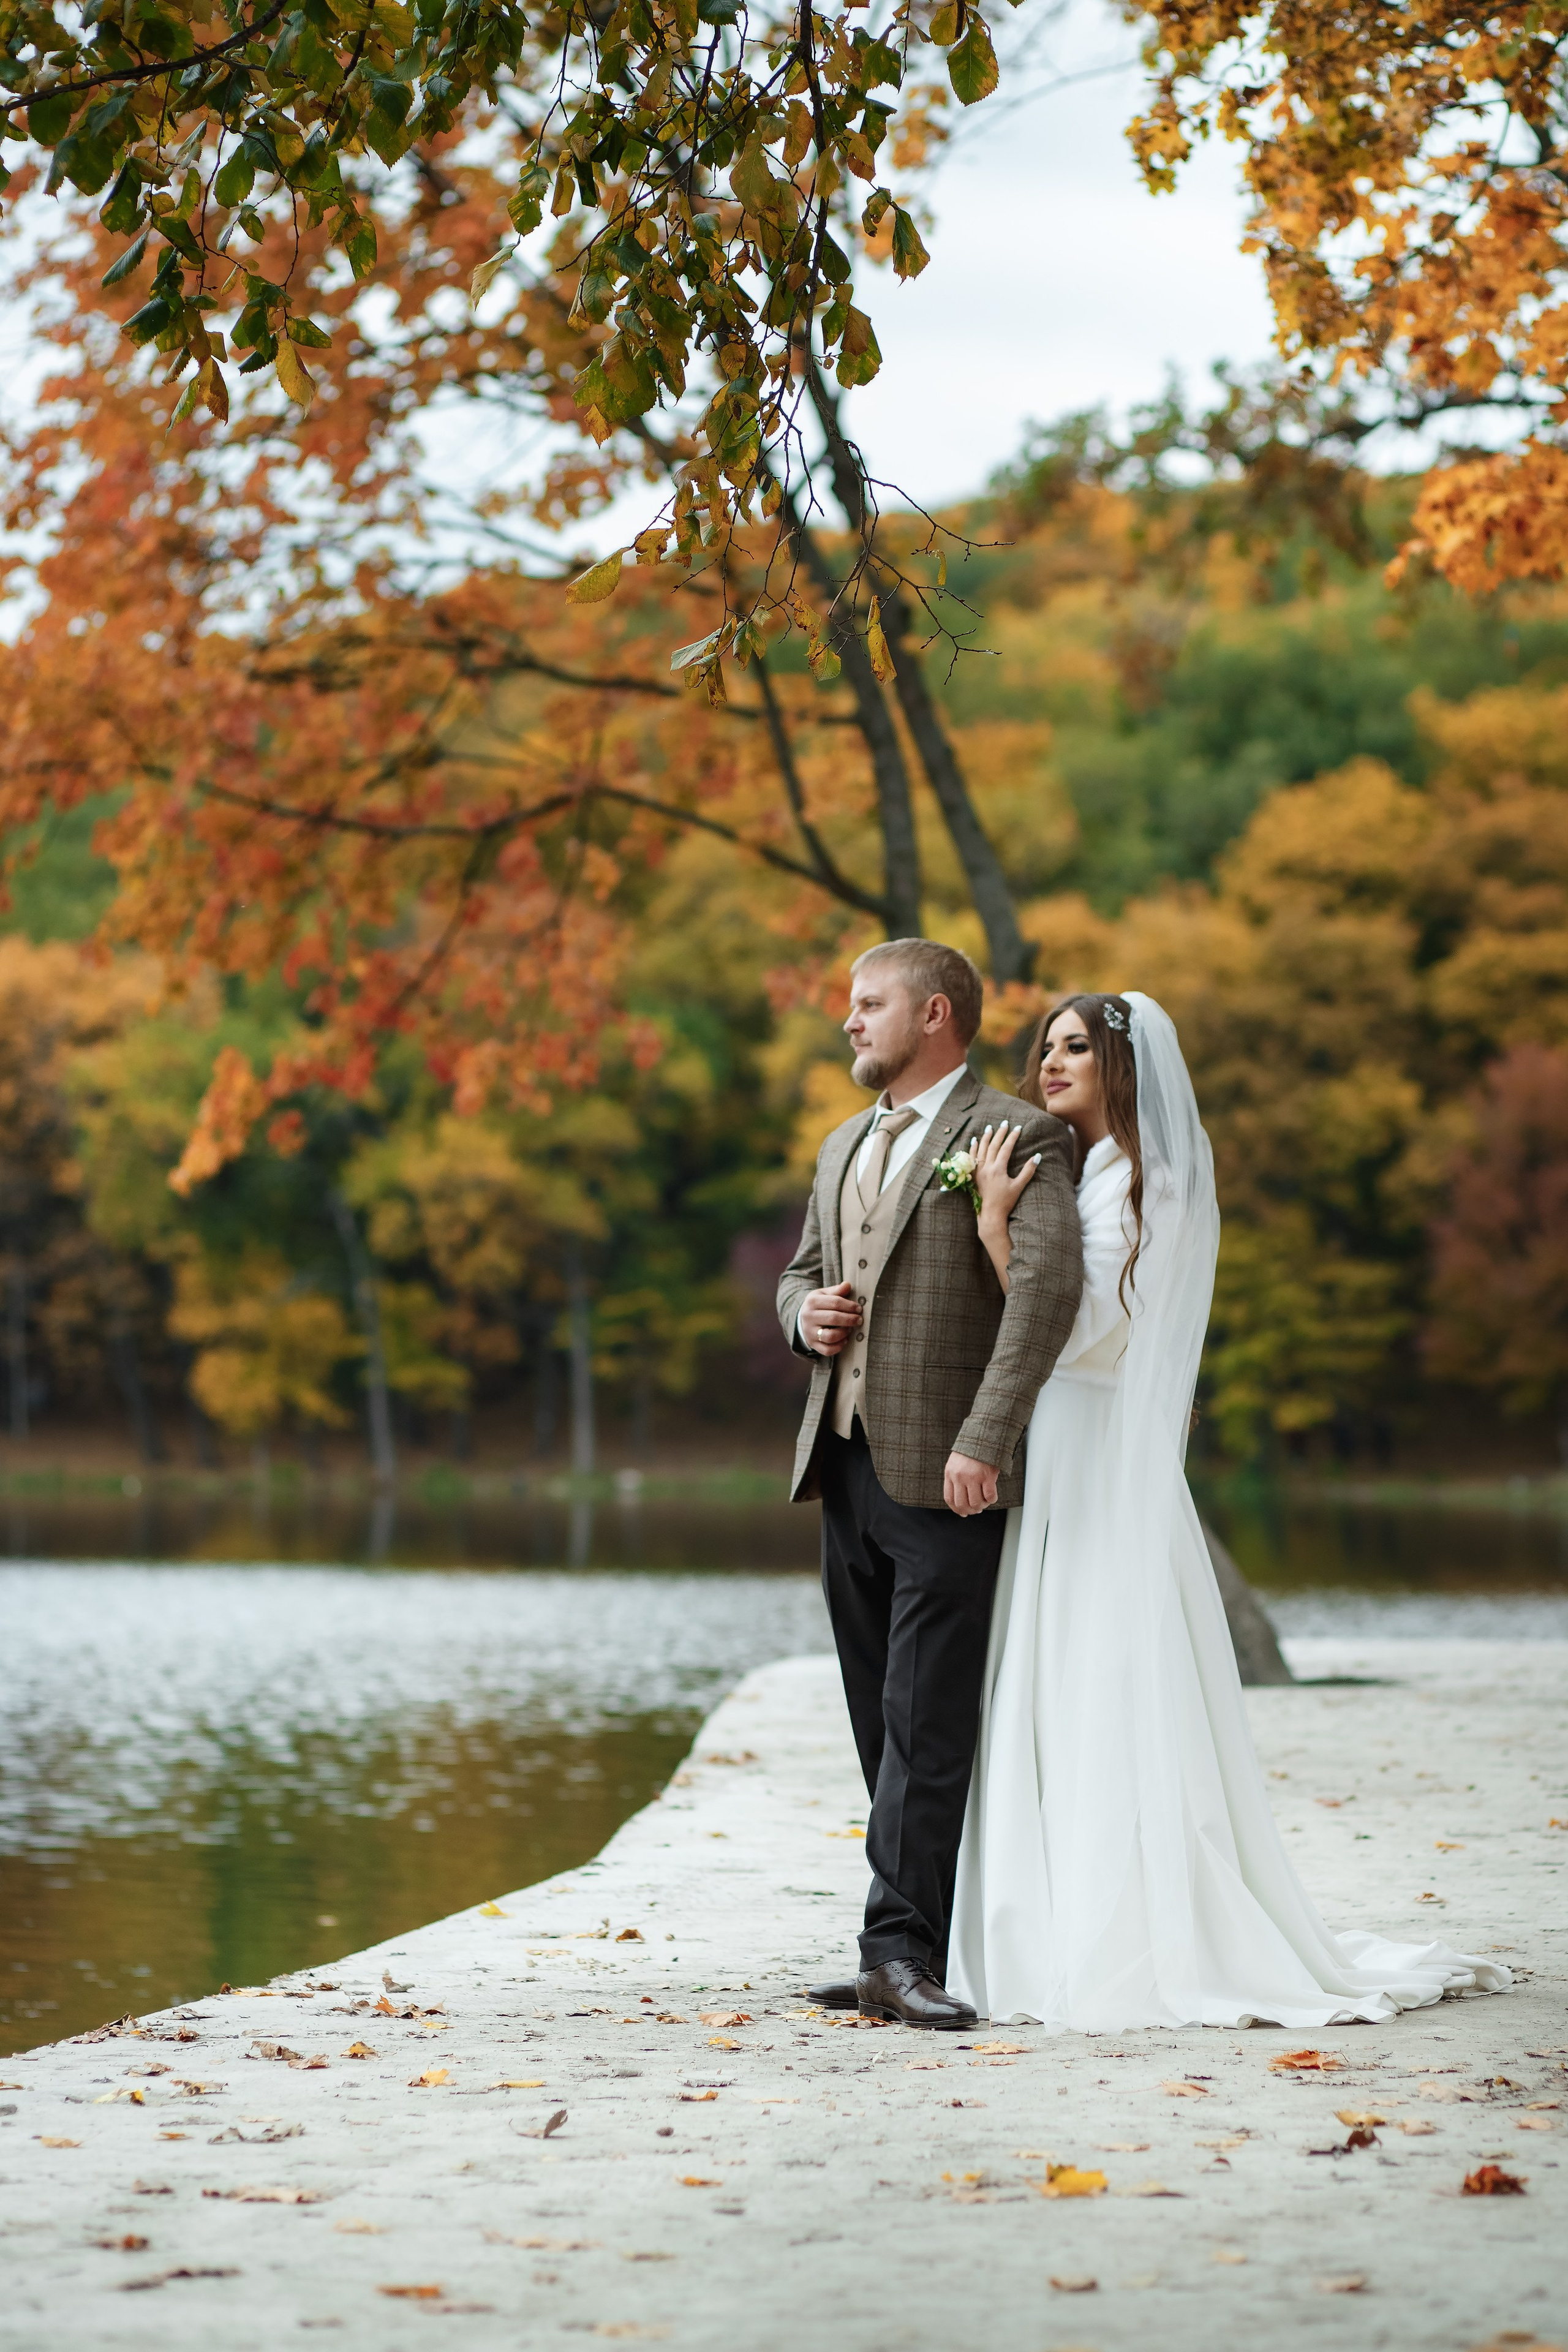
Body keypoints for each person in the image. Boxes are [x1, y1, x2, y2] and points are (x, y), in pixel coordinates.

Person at [947, 990, 1510, 2029]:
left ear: (1123, 1067)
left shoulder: (1147, 1183)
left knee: (1098, 1670)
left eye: (1076, 1047)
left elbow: (1070, 1338)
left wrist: (991, 1226)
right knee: (1048, 1669)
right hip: (1062, 1440)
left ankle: (1117, 1925)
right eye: (1047, 1048)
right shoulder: (1076, 1170)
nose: (1052, 1063)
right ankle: (1042, 1909)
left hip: (1092, 1443)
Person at [777, 939, 1084, 2028]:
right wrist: (802, 1318)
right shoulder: (842, 1144)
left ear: (937, 1015)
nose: (851, 1022)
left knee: (927, 1722)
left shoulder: (1014, 1132)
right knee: (878, 1717)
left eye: (872, 1004)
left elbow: (1044, 1298)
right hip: (848, 1464)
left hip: (950, 1477)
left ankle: (893, 1950)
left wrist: (986, 1440)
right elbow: (802, 1272)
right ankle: (914, 1935)